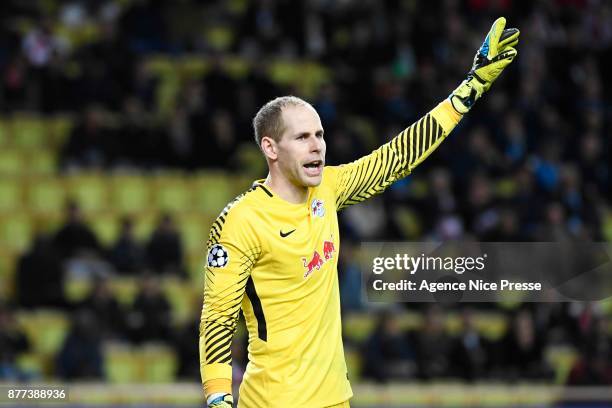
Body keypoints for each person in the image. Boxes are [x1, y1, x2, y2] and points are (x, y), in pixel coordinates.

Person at [200, 18, 519, 408]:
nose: (317, 146)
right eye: (302, 137)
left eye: (319, 135)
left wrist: (469, 89)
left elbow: (397, 156)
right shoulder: (241, 220)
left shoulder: (328, 189)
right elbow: (217, 316)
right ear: (270, 148)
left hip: (336, 398)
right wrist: (218, 397)